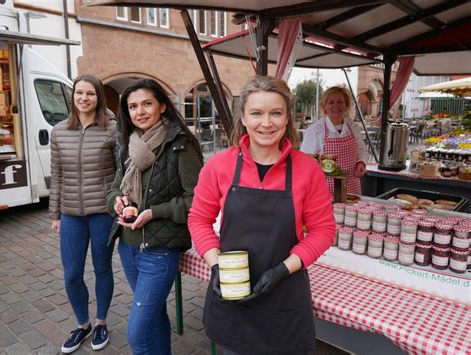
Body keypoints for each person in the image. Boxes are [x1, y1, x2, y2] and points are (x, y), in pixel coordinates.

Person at [188, 75, 335, 354]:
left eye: (275, 113)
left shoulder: (308, 169)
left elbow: (323, 230)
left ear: (287, 118)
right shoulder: (219, 166)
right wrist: (216, 264)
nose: (266, 123)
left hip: (285, 296)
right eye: (256, 113)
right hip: (232, 294)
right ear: (242, 117)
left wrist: (283, 269)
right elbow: (198, 219)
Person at [106, 79, 203, 355]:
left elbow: (197, 199)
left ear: (161, 106)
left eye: (147, 103)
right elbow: (114, 187)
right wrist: (117, 201)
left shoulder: (180, 145)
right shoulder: (128, 144)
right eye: (133, 106)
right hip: (128, 246)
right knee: (156, 316)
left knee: (137, 334)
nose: (140, 111)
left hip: (159, 252)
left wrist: (154, 212)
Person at [49, 74, 117, 353]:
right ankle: (83, 325)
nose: (84, 98)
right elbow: (57, 174)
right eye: (79, 93)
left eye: (90, 93)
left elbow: (120, 173)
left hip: (103, 213)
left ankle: (101, 322)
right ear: (73, 96)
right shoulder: (59, 131)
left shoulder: (113, 129)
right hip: (71, 214)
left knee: (102, 269)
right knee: (72, 274)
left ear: (98, 97)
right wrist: (55, 214)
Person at [300, 86, 368, 195]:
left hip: (351, 187)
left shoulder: (353, 127)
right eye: (331, 102)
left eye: (340, 102)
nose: (336, 106)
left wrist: (361, 163)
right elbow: (305, 163)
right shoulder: (315, 130)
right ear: (324, 106)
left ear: (346, 105)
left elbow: (362, 151)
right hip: (325, 190)